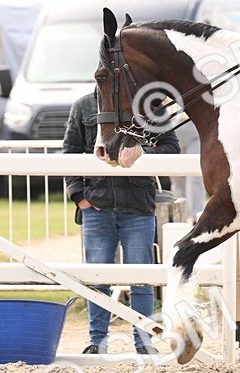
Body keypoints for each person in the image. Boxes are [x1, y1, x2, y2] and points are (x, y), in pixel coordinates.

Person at [64, 89, 181, 355]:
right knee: (98, 277)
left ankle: (144, 341)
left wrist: (140, 152)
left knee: (141, 277)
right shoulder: (83, 106)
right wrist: (79, 196)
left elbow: (172, 147)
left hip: (137, 204)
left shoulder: (150, 107)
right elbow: (70, 152)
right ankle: (97, 341)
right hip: (98, 205)